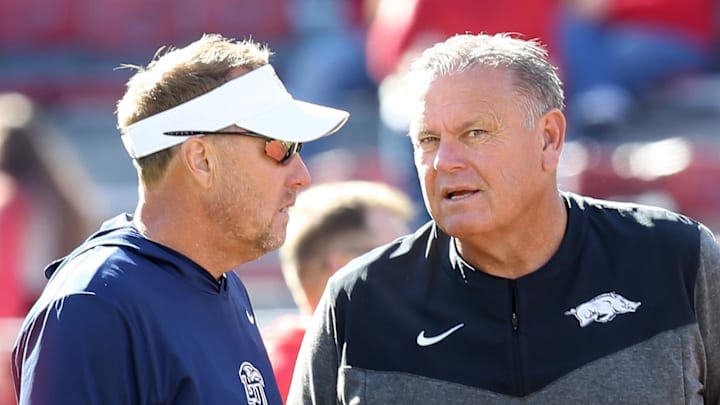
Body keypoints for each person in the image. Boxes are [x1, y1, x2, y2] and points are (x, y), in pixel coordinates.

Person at [287, 33, 720, 404]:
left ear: (549, 139)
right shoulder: (358, 302)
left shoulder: (674, 258)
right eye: (428, 139)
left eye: (475, 133)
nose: (445, 161)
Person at [12, 33, 349, 405]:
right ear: (202, 160)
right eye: (280, 147)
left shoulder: (222, 284)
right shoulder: (94, 307)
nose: (302, 175)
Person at [262, 180, 415, 401]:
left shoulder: (263, 365)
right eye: (399, 257)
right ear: (348, 269)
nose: (417, 269)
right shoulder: (290, 376)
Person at [0, 92, 100, 318]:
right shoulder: (65, 194)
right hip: (62, 304)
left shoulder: (10, 195)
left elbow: (5, 274)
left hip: (20, 311)